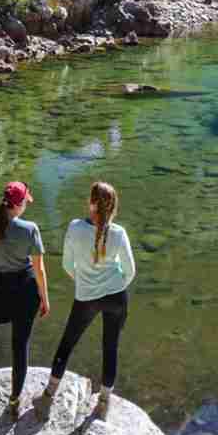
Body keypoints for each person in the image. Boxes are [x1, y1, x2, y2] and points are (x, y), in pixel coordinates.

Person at [34, 180, 135, 422]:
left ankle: (48, 396)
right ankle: (103, 403)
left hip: (86, 297)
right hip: (116, 297)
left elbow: (68, 265)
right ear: (113, 207)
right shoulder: (119, 233)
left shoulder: (75, 228)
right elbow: (130, 271)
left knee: (67, 344)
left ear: (91, 203)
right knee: (110, 347)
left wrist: (84, 281)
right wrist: (114, 281)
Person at [0, 180, 50, 420]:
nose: (26, 207)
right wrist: (44, 299)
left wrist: (1, 258)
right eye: (25, 203)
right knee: (20, 345)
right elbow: (40, 270)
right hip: (24, 290)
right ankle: (15, 401)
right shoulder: (30, 229)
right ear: (18, 205)